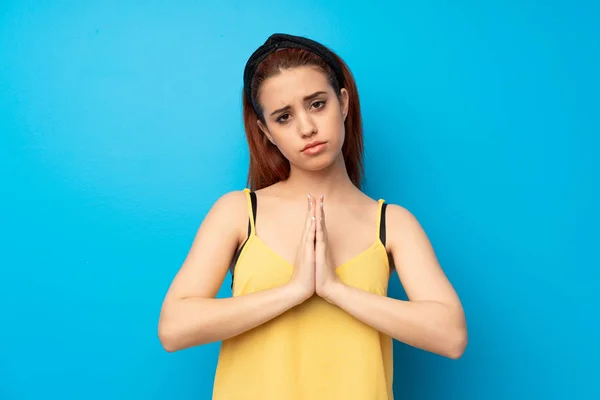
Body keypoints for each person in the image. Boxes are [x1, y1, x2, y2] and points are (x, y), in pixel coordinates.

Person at [158, 33, 467, 400]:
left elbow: (450, 336)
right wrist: (294, 291)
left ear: (343, 102)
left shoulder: (392, 223)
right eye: (284, 117)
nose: (306, 128)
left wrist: (336, 290)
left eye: (317, 104)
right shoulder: (238, 213)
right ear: (266, 132)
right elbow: (174, 329)